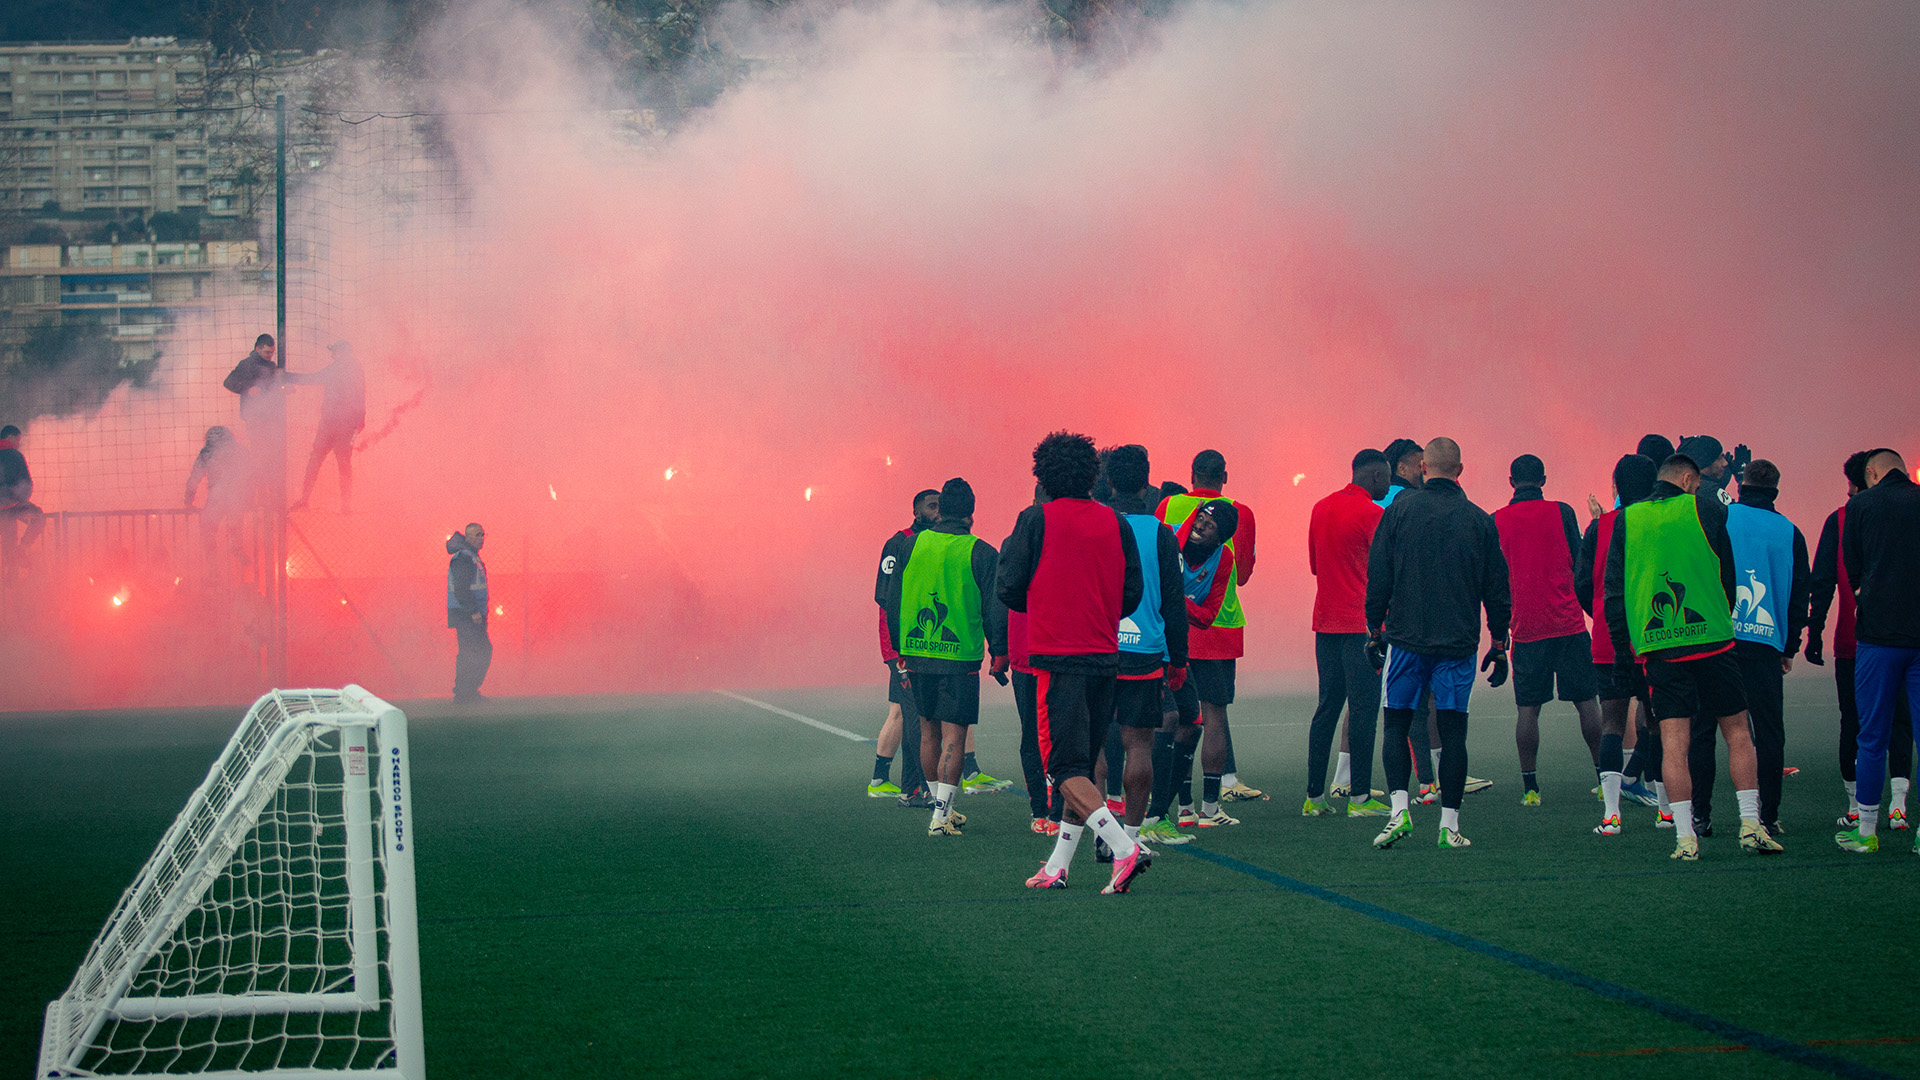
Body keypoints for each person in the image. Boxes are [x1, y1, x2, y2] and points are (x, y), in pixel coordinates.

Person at [1604, 454, 1781, 860]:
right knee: (1738, 730)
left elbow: (1614, 594)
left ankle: (1685, 839)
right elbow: (1729, 578)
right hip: (1714, 641)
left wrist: (1622, 654)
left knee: (1674, 741)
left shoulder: (1628, 520)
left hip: (1658, 645)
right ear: (1688, 480)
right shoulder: (1708, 508)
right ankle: (1751, 826)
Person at [1000, 432, 1146, 892]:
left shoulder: (1034, 519)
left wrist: (1051, 602)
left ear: (1042, 475)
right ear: (1092, 475)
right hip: (1106, 658)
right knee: (1080, 765)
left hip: (1058, 660)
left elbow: (1008, 587)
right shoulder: (1116, 523)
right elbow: (1132, 594)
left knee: (1062, 769)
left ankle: (1124, 848)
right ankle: (1058, 864)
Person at [1364, 437, 1511, 850]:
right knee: (1452, 731)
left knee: (1395, 723)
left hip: (1406, 640)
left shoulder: (1398, 512)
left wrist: (1374, 629)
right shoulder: (1479, 520)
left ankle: (1398, 812)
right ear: (1460, 471)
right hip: (1458, 645)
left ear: (1424, 467)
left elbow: (1379, 575)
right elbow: (1498, 590)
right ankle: (1450, 825)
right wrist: (1500, 644)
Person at [880, 477, 1008, 838]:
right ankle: (941, 814)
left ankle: (941, 808)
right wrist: (1000, 651)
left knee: (928, 731)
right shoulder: (981, 552)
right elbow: (993, 608)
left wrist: (899, 646)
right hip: (959, 656)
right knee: (955, 733)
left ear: (942, 511)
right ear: (971, 512)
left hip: (917, 651)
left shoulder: (912, 545)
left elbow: (893, 599)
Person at [1809, 452, 1913, 829]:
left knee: (1859, 727)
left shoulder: (1848, 515)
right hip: (1912, 638)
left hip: (1863, 641)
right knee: (1905, 724)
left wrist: (1814, 631)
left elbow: (1824, 580)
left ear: (1860, 479)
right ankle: (1900, 807)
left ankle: (1860, 814)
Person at [1493, 454, 1602, 807]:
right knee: (1587, 701)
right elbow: (1581, 559)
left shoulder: (1497, 521)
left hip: (1525, 628)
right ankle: (1605, 779)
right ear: (1543, 479)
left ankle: (1531, 788)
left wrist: (1500, 626)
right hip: (1567, 623)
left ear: (1511, 482)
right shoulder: (1563, 512)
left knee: (1528, 708)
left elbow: (1494, 579)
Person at [1157, 450, 1263, 802]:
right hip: (1220, 624)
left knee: (1179, 716)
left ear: (1191, 475)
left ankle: (1180, 804)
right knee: (1214, 714)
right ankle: (1212, 804)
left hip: (1172, 628)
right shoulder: (1240, 512)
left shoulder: (1169, 506)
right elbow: (1243, 575)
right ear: (1225, 477)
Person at [1100, 446, 1189, 853]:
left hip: (1097, 648)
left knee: (1095, 743)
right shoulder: (1160, 533)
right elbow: (1174, 601)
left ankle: (1103, 831)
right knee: (1139, 744)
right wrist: (1179, 659)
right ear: (1147, 481)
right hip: (1145, 652)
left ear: (1110, 480)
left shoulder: (1096, 526)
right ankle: (1132, 839)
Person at [1836, 448, 1920, 853]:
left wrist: (1868, 597)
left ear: (1871, 472)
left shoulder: (1862, 505)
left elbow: (1853, 568)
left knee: (1871, 737)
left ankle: (1866, 831)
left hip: (1879, 639)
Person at [1303, 449, 1393, 818]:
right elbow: (1387, 573)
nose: (1388, 486)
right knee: (1364, 709)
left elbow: (1314, 566)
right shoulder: (1374, 514)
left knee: (1326, 707)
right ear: (1374, 477)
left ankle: (1313, 798)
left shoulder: (1320, 507)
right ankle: (1359, 797)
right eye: (1386, 478)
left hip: (1326, 622)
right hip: (1362, 627)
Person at [1576, 454, 1662, 835]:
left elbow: (1581, 582)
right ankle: (1667, 811)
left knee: (1612, 721)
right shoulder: (1659, 521)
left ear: (1616, 487)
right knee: (1659, 721)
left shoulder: (1599, 528)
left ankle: (1611, 814)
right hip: (1655, 635)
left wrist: (1600, 612)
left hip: (1608, 638)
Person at [1724, 459, 1809, 837]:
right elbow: (1797, 596)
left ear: (1742, 485)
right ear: (1775, 491)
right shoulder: (1790, 532)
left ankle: (1700, 816)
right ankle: (1769, 815)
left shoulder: (1723, 518)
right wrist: (1789, 647)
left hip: (1722, 640)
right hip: (1766, 643)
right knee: (1770, 731)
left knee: (1704, 727)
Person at [869, 489, 939, 799]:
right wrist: (898, 647)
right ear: (916, 510)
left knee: (911, 712)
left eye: (941, 505)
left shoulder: (938, 542)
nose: (937, 511)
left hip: (927, 644)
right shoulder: (897, 542)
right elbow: (884, 595)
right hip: (900, 645)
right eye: (931, 505)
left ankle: (901, 783)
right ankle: (915, 788)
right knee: (913, 715)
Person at [287, 340, 367, 513]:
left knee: (316, 461)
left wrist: (286, 376)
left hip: (334, 425)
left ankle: (306, 500)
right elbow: (362, 395)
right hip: (339, 425)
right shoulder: (353, 369)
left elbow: (312, 378)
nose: (332, 355)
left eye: (335, 351)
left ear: (343, 352)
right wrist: (360, 421)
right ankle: (344, 505)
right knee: (341, 464)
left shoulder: (339, 369)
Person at [222, 334, 286, 499]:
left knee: (273, 455)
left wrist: (284, 387)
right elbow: (228, 382)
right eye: (266, 352)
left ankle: (271, 491)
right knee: (260, 454)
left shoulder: (272, 367)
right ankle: (259, 492)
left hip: (272, 418)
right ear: (257, 349)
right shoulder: (246, 365)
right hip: (255, 418)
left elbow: (275, 388)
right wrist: (247, 388)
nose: (269, 356)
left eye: (271, 353)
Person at [446, 523, 492, 703]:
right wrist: (473, 611)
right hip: (466, 615)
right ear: (468, 537)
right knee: (474, 652)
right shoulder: (464, 558)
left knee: (476, 651)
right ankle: (465, 693)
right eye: (476, 535)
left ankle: (467, 692)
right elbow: (461, 590)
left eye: (482, 534)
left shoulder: (470, 557)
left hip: (471, 614)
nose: (481, 538)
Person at [0, 425, 46, 577]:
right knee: (38, 517)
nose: (19, 443)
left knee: (8, 539)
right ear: (11, 437)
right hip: (14, 505)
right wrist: (22, 502)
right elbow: (25, 483)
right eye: (18, 439)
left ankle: (11, 575)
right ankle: (23, 547)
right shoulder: (16, 456)